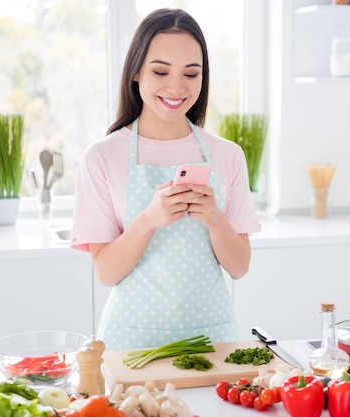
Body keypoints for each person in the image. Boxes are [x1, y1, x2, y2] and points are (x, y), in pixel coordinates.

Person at [70, 8, 261, 350]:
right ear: (136, 72)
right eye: (161, 71)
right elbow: (107, 273)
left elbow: (240, 267)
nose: (176, 87)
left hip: (212, 340)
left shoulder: (227, 155)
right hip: (131, 344)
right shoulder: (101, 158)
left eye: (191, 73)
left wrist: (215, 219)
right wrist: (148, 220)